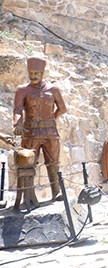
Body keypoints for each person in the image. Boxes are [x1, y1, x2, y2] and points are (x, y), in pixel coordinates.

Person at [13, 57, 67, 201]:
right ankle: (29, 196)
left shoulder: (53, 89)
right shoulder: (22, 90)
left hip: (50, 132)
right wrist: (17, 124)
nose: (33, 76)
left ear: (43, 73)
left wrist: (51, 119)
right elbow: (17, 110)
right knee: (28, 163)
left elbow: (62, 109)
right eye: (31, 73)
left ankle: (56, 191)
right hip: (30, 133)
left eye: (36, 73)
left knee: (53, 162)